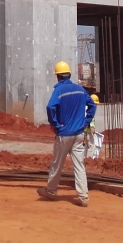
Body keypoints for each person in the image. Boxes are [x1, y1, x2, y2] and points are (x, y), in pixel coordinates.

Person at [37, 61, 96, 207]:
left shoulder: (59, 90)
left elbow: (50, 107)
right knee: (79, 165)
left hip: (64, 134)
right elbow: (92, 105)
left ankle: (51, 191)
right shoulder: (80, 89)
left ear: (57, 77)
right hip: (79, 133)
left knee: (57, 163)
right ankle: (83, 197)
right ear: (69, 74)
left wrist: (55, 124)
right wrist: (86, 121)